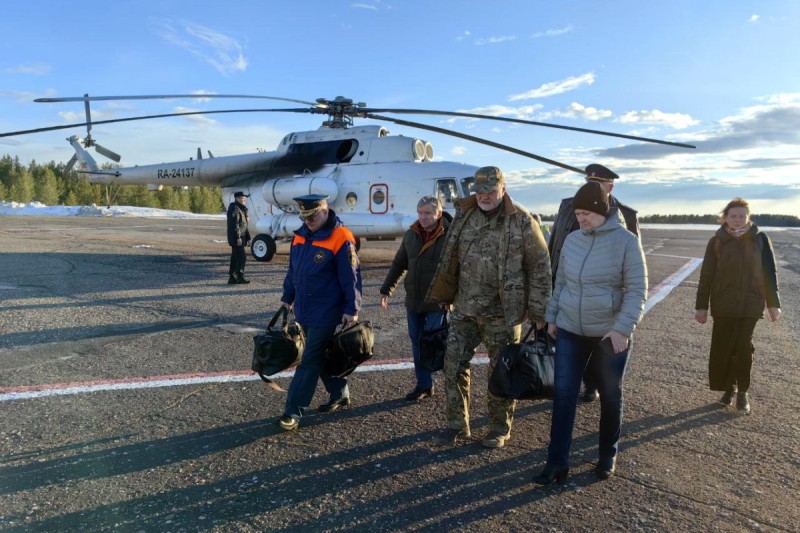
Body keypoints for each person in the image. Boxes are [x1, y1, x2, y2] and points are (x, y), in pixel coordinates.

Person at [426, 166, 552, 449]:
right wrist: (445, 291)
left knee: (503, 372)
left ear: (502, 190)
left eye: (490, 191)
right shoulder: (465, 214)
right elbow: (451, 256)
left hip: (503, 314)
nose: (484, 196)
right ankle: (457, 425)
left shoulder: (521, 220)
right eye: (480, 191)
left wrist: (540, 312)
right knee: (453, 365)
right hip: (464, 309)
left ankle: (498, 428)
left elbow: (540, 267)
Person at [535, 181, 647, 484]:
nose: (580, 219)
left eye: (585, 213)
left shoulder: (626, 241)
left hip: (609, 334)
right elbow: (561, 283)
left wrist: (622, 329)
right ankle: (557, 462)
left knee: (611, 395)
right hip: (571, 328)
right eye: (577, 213)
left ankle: (607, 455)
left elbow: (637, 290)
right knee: (564, 396)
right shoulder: (573, 239)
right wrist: (552, 317)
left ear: (602, 210)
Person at [548, 163, 640, 403]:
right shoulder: (569, 207)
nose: (592, 189)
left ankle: (591, 382)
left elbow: (633, 265)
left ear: (609, 186)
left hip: (604, 302)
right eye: (589, 183)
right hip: (569, 288)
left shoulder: (626, 215)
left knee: (600, 352)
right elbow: (556, 244)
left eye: (598, 184)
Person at [277, 194, 363, 431]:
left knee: (309, 361)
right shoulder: (300, 236)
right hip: (304, 309)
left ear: (325, 211)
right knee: (321, 355)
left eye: (313, 216)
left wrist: (351, 309)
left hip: (327, 310)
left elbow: (351, 278)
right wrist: (288, 297)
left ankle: (292, 411)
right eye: (304, 216)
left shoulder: (341, 237)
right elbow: (294, 271)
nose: (309, 221)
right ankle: (339, 392)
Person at [694, 197, 781, 415]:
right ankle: (728, 389)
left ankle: (743, 391)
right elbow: (707, 275)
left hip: (751, 303)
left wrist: (773, 304)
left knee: (742, 346)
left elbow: (769, 272)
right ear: (725, 217)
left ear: (748, 217)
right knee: (725, 347)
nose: (737, 220)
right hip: (723, 303)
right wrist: (701, 306)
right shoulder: (717, 241)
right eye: (733, 216)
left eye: (742, 216)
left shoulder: (760, 239)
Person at [380, 195, 450, 401]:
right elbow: (399, 263)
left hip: (438, 300)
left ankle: (452, 385)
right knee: (417, 342)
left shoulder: (450, 235)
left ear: (438, 214)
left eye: (428, 213)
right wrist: (386, 289)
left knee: (436, 342)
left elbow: (460, 269)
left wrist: (452, 297)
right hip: (414, 300)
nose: (423, 217)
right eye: (420, 213)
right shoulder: (411, 234)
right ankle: (424, 385)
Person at [227, 191, 252, 284]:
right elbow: (235, 225)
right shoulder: (235, 209)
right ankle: (240, 276)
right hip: (237, 238)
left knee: (235, 257)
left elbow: (244, 225)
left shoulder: (241, 209)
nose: (244, 200)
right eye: (242, 198)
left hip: (241, 237)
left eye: (245, 198)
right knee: (241, 257)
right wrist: (238, 238)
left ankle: (232, 277)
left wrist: (248, 237)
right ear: (237, 198)